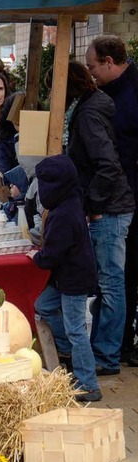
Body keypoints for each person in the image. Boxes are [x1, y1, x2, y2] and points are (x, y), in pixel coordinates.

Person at [60, 60, 134, 376]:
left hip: (111, 208)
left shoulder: (87, 114)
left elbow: (107, 164)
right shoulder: (92, 107)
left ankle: (106, 355)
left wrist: (95, 204)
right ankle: (104, 350)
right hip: (112, 204)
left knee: (111, 283)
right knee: (109, 284)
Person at [28, 154, 101, 403]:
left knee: (76, 329)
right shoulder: (68, 203)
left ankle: (88, 383)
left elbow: (52, 255)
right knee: (43, 306)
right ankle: (70, 351)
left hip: (73, 279)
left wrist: (35, 258)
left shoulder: (64, 214)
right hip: (66, 276)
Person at [85, 35, 138, 366]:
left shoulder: (130, 94)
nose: (91, 73)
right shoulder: (106, 93)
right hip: (124, 193)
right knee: (124, 275)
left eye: (93, 66)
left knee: (121, 277)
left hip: (125, 194)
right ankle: (120, 344)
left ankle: (117, 347)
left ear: (108, 62)